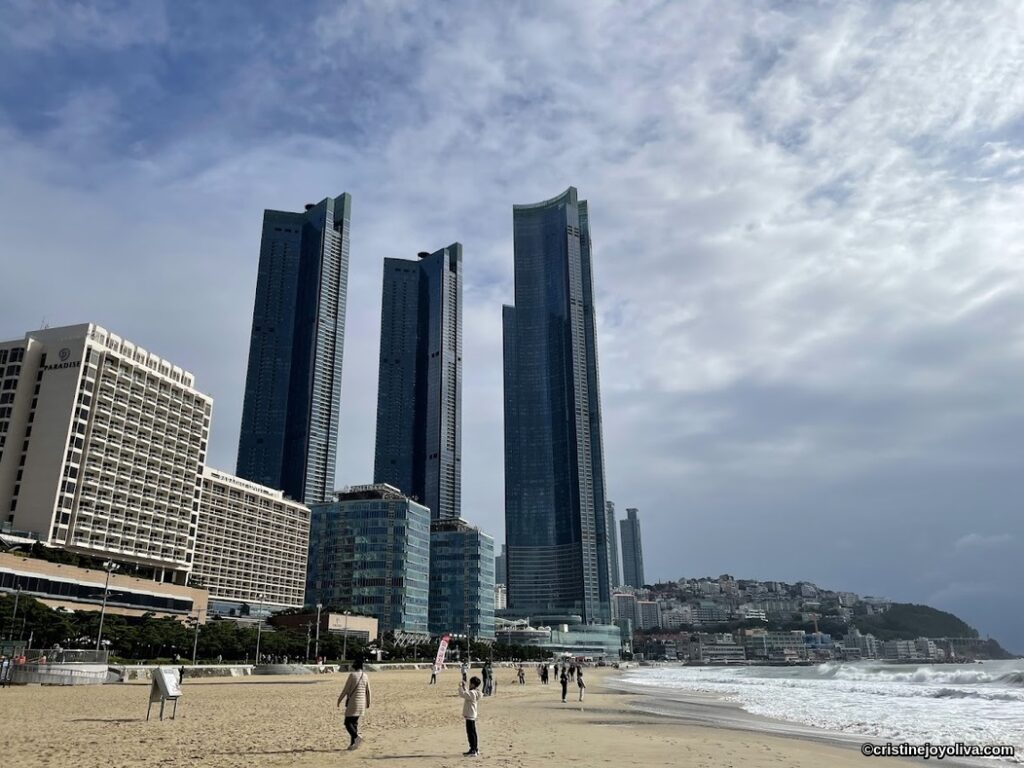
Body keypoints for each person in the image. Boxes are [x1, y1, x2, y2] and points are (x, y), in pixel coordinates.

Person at [336, 658, 370, 751]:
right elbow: (368, 691)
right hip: (362, 703)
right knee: (354, 723)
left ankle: (356, 737)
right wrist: (368, 702)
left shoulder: (352, 675)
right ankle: (353, 744)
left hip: (353, 703)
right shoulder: (365, 676)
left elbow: (346, 689)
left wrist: (339, 700)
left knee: (347, 723)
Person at [458, 675, 482, 757]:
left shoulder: (472, 693)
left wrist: (461, 687)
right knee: (473, 733)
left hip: (470, 715)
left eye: (471, 683)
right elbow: (467, 693)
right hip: (472, 715)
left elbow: (463, 694)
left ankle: (473, 749)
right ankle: (475, 749)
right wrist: (464, 687)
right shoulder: (475, 692)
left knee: (470, 733)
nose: (469, 684)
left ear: (473, 684)